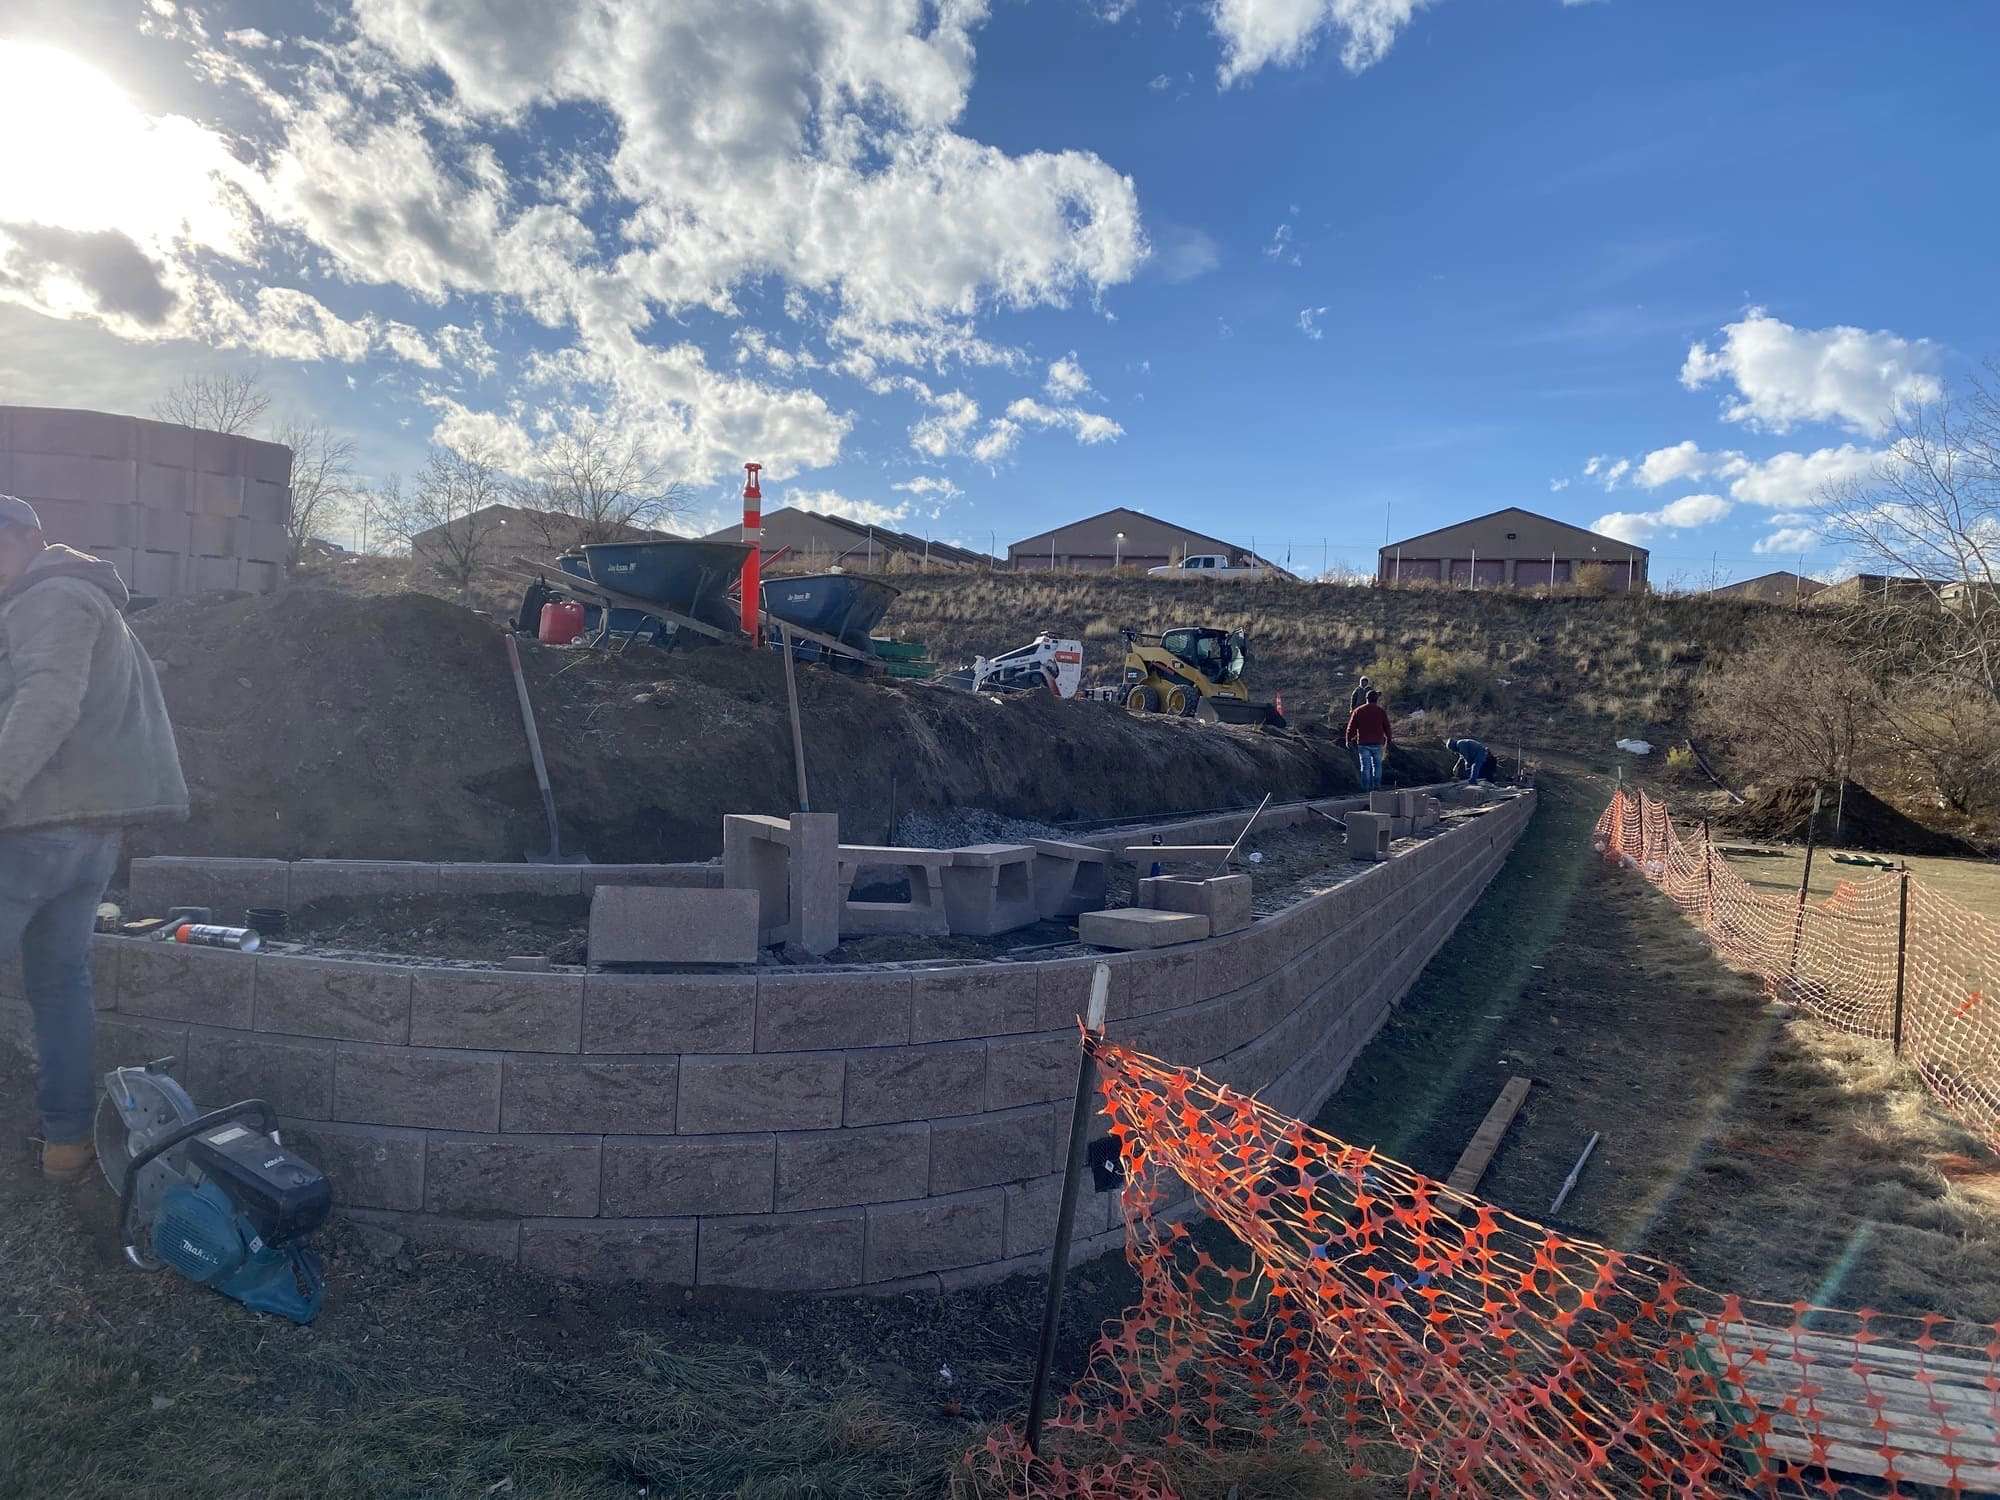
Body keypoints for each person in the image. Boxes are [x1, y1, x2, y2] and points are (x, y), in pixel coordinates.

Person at [0, 495, 187, 1181]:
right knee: (58, 987)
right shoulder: (88, 603)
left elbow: (47, 701)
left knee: (58, 985)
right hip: (89, 835)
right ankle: (66, 1147)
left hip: (31, 830)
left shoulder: (50, 599)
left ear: (27, 540)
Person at [1344, 688, 1393, 791]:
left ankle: (1365, 789)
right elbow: (1387, 726)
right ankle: (1377, 787)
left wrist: (1348, 740)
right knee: (1377, 765)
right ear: (1376, 699)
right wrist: (1388, 738)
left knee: (1365, 767)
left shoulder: (1358, 711)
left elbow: (1351, 727)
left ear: (1366, 698)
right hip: (1377, 742)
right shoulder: (1381, 711)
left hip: (1363, 743)